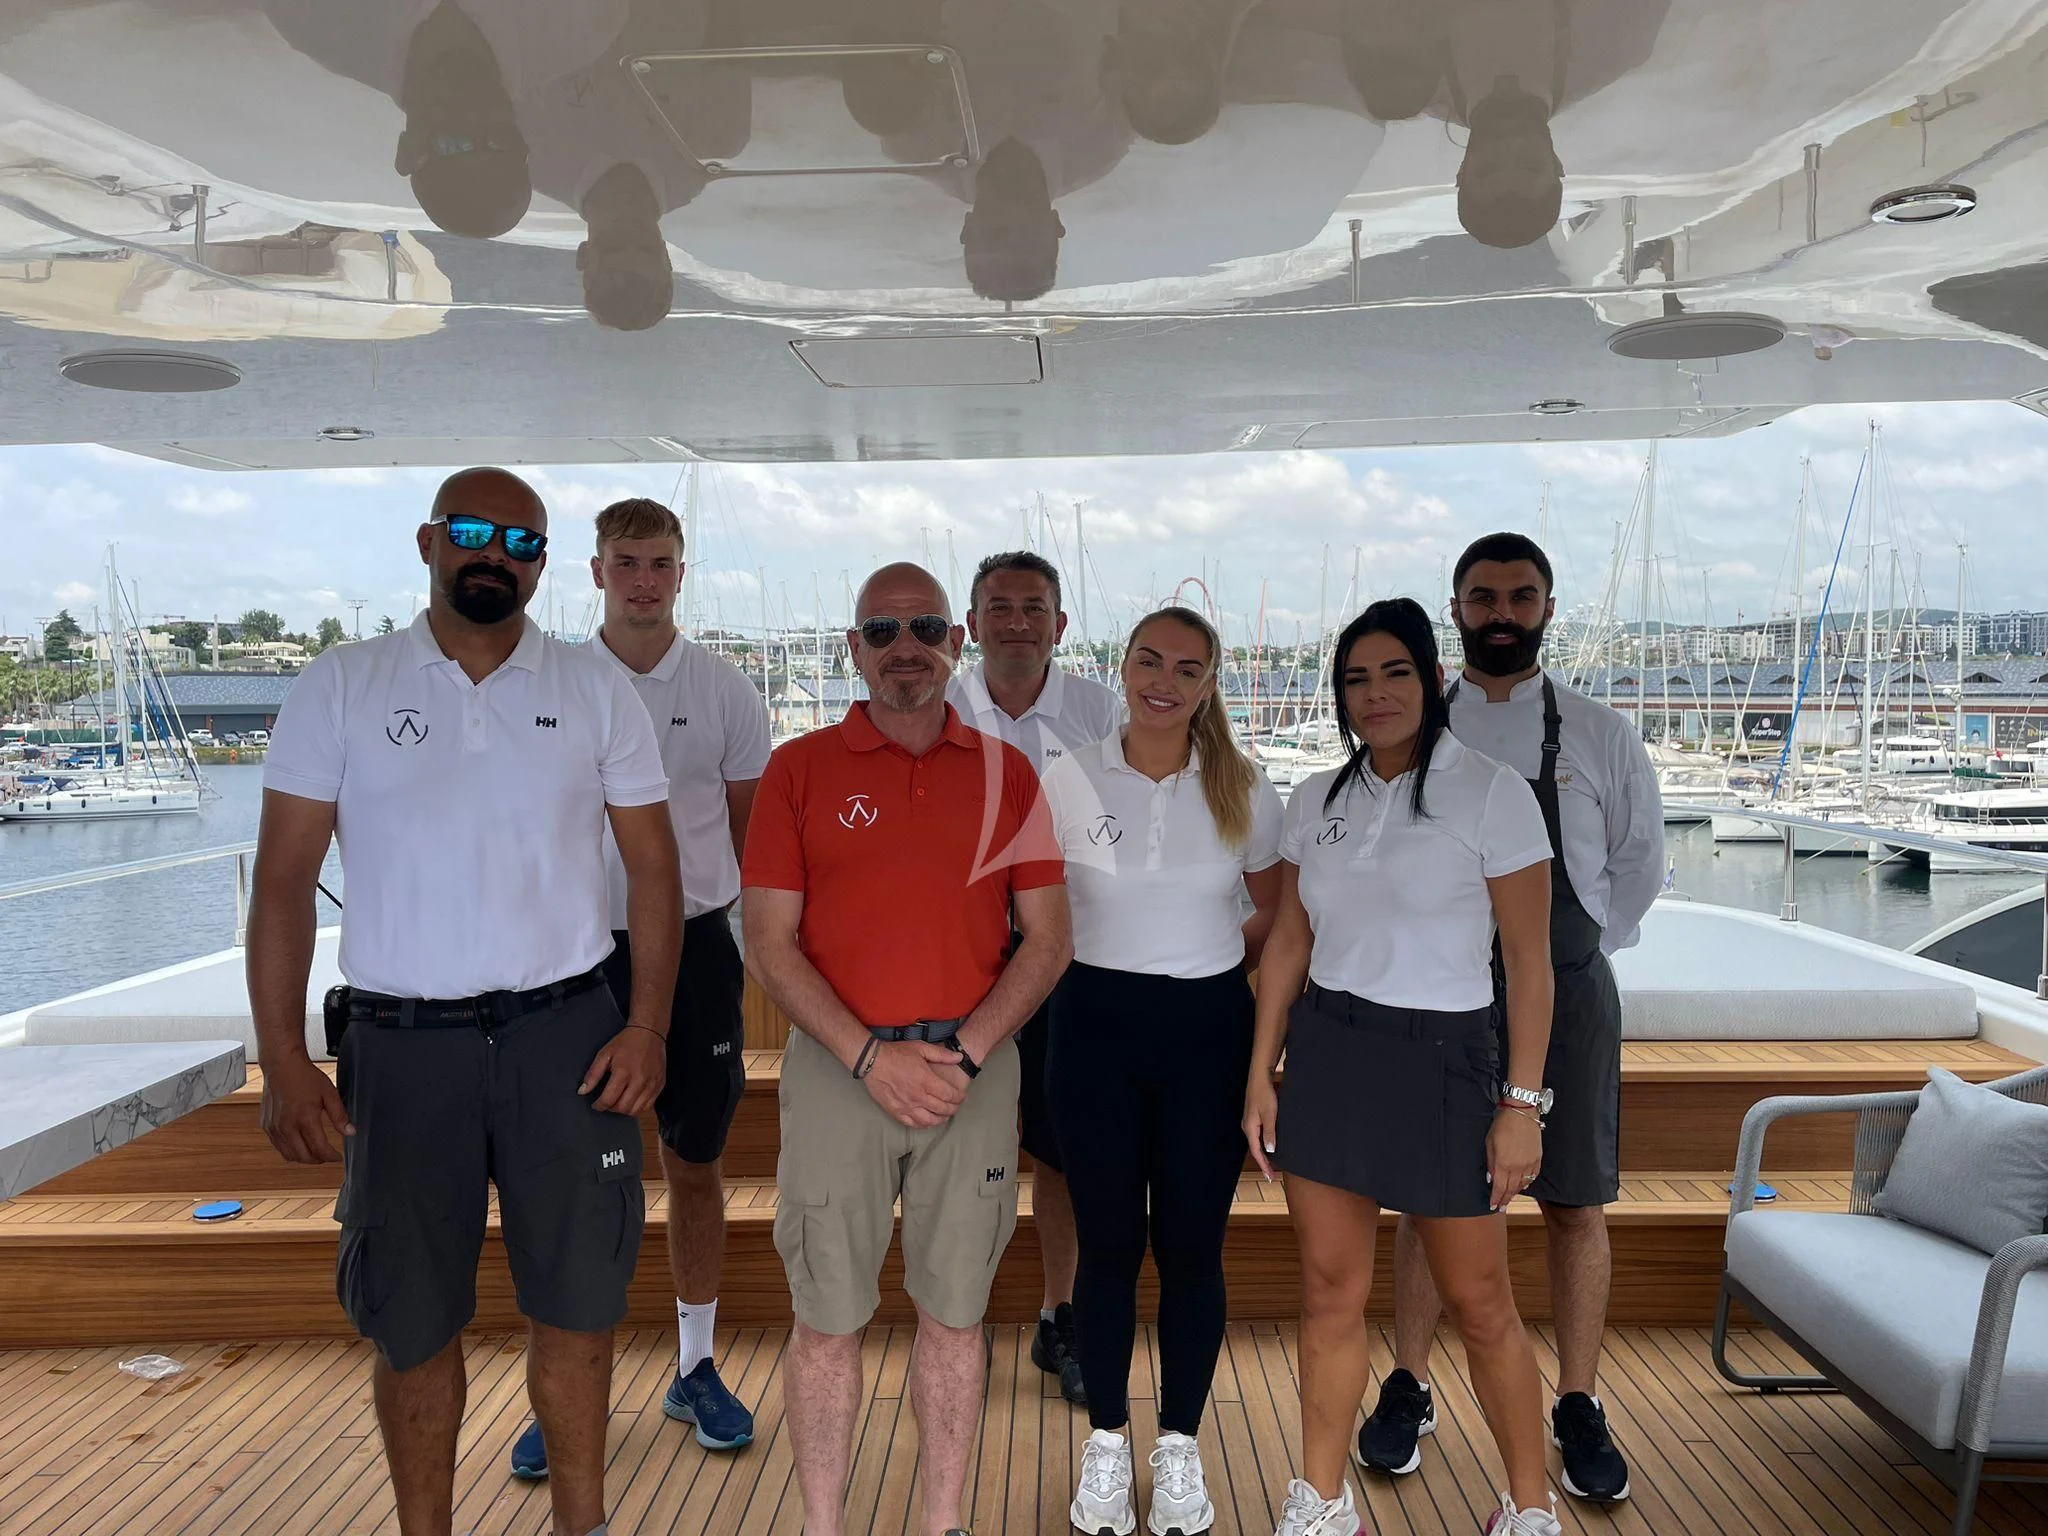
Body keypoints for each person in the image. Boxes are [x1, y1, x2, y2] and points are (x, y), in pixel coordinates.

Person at [248, 467, 682, 1536]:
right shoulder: (340, 684)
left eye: (521, 542)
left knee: (578, 1313)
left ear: (540, 564)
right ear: (429, 541)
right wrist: (285, 1059)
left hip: (568, 1039)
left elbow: (656, 874)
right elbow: (284, 884)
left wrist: (649, 1024)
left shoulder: (591, 687)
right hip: (402, 1048)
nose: (496, 554)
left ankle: (583, 1525)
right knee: (412, 1323)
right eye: (475, 533)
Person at [742, 561, 1072, 1536]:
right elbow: (766, 942)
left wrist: (966, 1055)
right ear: (853, 649)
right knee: (826, 1321)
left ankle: (940, 1524)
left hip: (968, 1076)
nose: (905, 648)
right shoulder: (796, 771)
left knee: (954, 1318)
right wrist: (866, 1058)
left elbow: (1048, 940)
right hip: (838, 1072)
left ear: (955, 643)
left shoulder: (1006, 775)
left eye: (924, 627)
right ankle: (822, 1526)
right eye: (881, 632)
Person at [1244, 598, 1563, 1536]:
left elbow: (1532, 966)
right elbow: (1291, 942)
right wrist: (1262, 1072)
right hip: (1333, 1056)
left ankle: (1529, 1507)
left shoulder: (1494, 792)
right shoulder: (1318, 801)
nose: (1374, 694)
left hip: (1447, 1065)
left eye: (1393, 673)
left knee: (1482, 1301)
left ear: (1430, 679)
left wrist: (1522, 1105)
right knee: (1330, 1294)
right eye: (1355, 678)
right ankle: (1321, 1500)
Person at [1360, 533, 1663, 1506]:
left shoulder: (1600, 735)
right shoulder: (1407, 733)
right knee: (1425, 1200)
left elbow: (1636, 871)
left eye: (1518, 597)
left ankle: (1575, 1402)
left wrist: (1563, 967)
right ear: (1453, 608)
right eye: (1481, 596)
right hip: (1435, 1000)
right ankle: (1407, 1381)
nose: (1500, 612)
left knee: (1572, 1205)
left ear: (1545, 606)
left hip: (1565, 995)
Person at [507, 497, 770, 1478]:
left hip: (697, 950)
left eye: (659, 563)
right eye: (626, 562)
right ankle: (572, 1387)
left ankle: (694, 1367)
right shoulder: (552, 685)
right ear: (595, 571)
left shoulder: (727, 691)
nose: (643, 581)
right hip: (572, 959)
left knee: (690, 1165)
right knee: (573, 1183)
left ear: (680, 573)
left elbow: (753, 841)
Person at [1041, 605, 1284, 1536]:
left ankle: (1176, 1444)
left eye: (1188, 669)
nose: (1164, 681)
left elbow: (1278, 912)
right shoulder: (1066, 779)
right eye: (1149, 660)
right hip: (1091, 1026)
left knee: (1191, 1247)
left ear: (1209, 683)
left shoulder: (1244, 789)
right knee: (1107, 1247)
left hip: (1206, 1032)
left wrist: (1212, 949)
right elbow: (1034, 907)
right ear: (1123, 665)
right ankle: (1106, 1442)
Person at [948, 549, 1123, 1407]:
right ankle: (957, 1324)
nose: (1016, 619)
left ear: (1061, 623)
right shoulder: (934, 707)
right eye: (999, 605)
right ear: (971, 623)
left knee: (1063, 1155)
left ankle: (1064, 1317)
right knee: (957, 1153)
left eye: (1034, 605)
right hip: (956, 967)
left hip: (1071, 966)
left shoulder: (1102, 714)